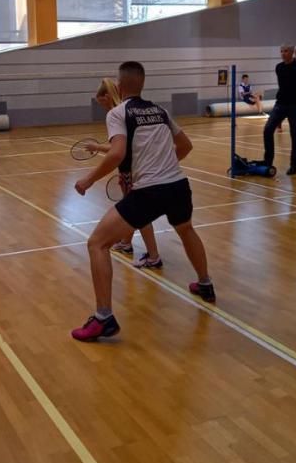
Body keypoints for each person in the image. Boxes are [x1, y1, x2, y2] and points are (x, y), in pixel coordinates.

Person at [71, 61, 214, 342]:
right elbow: (185, 146)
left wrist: (88, 180)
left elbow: (116, 153)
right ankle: (205, 284)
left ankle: (103, 318)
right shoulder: (160, 111)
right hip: (178, 186)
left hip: (149, 191)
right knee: (186, 230)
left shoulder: (118, 113)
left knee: (97, 243)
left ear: (120, 86)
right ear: (143, 83)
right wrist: (164, 167)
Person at [86, 78, 163, 269]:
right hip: (133, 169)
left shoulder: (116, 114)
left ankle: (154, 256)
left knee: (140, 213)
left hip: (133, 171)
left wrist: (97, 148)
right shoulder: (127, 112)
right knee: (131, 209)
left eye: (101, 102)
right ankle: (126, 243)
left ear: (106, 96)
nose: (102, 106)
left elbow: (118, 151)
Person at [262, 44, 296, 176]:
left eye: (286, 51)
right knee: (268, 129)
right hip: (281, 104)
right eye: (281, 51)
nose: (283, 53)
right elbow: (288, 80)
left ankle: (294, 165)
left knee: (295, 134)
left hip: (295, 106)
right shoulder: (279, 67)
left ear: (292, 52)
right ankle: (268, 162)